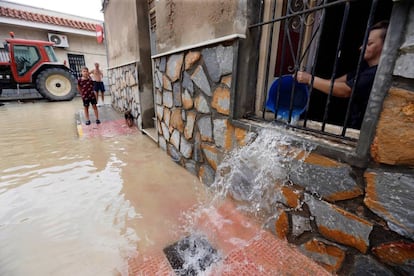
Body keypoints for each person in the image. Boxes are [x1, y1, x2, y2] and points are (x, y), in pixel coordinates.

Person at [296, 20, 388, 129]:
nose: (361, 48)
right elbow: (334, 83)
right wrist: (308, 81)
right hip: (353, 123)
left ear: (386, 46)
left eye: (369, 44)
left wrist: (309, 79)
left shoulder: (376, 73)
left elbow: (345, 90)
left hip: (364, 130)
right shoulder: (364, 68)